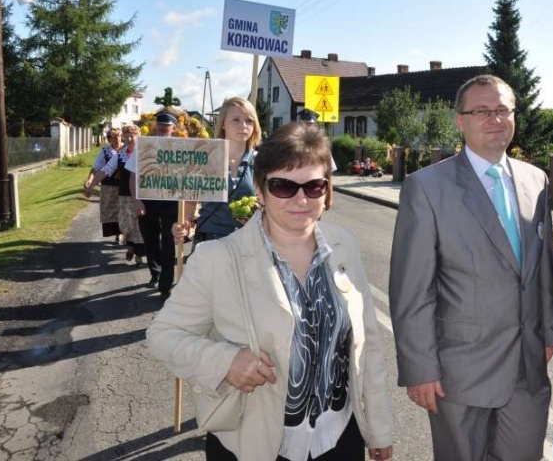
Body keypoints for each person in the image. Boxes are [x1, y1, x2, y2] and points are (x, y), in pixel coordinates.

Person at [147, 121, 394, 461]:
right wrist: (225, 362)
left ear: (327, 191)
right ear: (260, 192)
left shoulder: (344, 245)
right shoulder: (219, 258)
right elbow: (163, 334)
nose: (300, 199)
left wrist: (378, 429)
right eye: (282, 186)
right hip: (256, 442)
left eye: (314, 186)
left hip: (338, 438)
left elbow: (369, 345)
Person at [389, 74, 553, 461]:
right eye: (481, 111)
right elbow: (411, 288)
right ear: (460, 120)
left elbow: (544, 267)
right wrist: (419, 367)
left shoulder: (536, 180)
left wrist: (548, 331)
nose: (495, 119)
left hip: (526, 366)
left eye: (502, 110)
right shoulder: (427, 187)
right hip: (459, 371)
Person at [173, 97, 262, 244]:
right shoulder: (204, 158)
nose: (244, 125)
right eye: (236, 120)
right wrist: (182, 226)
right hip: (210, 243)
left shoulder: (262, 162)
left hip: (248, 245)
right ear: (223, 124)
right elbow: (189, 201)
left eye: (249, 120)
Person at [129, 110, 179, 299]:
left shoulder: (180, 147)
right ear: (155, 127)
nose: (162, 130)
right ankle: (155, 273)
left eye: (166, 128)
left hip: (171, 202)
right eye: (159, 127)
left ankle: (165, 285)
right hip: (147, 200)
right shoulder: (144, 147)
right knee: (150, 239)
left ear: (173, 128)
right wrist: (136, 199)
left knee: (168, 242)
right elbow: (133, 175)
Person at [84, 127, 124, 242]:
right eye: (114, 137)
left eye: (119, 136)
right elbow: (95, 168)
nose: (117, 139)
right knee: (111, 210)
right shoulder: (105, 151)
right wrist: (90, 180)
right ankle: (117, 233)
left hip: (124, 186)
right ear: (109, 139)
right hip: (109, 186)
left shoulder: (126, 149)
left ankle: (123, 233)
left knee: (123, 210)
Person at [116, 125, 146, 264]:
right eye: (126, 136)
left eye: (131, 136)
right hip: (125, 195)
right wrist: (91, 182)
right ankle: (130, 245)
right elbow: (107, 169)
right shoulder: (121, 154)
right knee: (127, 224)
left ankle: (137, 252)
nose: (128, 139)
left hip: (142, 194)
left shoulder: (145, 152)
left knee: (139, 225)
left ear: (138, 136)